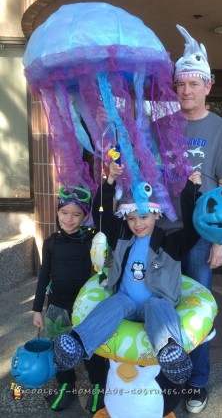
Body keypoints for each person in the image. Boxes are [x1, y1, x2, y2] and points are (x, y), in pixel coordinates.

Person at [156, 25, 222, 413]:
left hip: (199, 236)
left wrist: (221, 240)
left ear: (209, 85)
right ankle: (165, 374)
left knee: (199, 310)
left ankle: (197, 381)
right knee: (161, 304)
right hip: (163, 232)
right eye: (181, 84)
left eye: (195, 83)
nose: (187, 90)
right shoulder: (162, 127)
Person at [53, 162, 202, 386]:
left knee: (156, 306)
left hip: (156, 303)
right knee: (114, 303)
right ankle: (77, 343)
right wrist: (109, 182)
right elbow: (101, 216)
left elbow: (192, 229)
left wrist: (191, 191)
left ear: (155, 215)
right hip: (127, 302)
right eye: (131, 218)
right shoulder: (123, 237)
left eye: (143, 217)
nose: (137, 224)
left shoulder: (170, 243)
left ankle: (171, 352)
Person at [32, 186, 108, 413]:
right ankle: (66, 384)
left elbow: (101, 267)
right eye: (64, 212)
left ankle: (98, 386)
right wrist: (37, 309)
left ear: (86, 216)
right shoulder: (51, 242)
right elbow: (44, 275)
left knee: (89, 349)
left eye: (77, 214)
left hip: (85, 307)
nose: (69, 219)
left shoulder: (92, 240)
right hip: (56, 305)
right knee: (60, 349)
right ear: (57, 212)